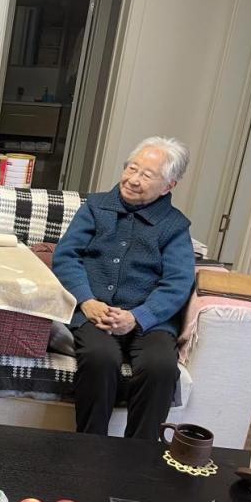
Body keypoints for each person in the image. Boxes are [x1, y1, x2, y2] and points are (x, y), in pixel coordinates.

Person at [52, 135, 196, 439]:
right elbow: (66, 256)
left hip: (150, 322)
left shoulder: (174, 226)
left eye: (147, 175)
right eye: (131, 168)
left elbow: (178, 282)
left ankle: (138, 454)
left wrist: (138, 317)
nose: (133, 179)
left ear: (168, 186)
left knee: (160, 367)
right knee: (99, 357)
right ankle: (90, 446)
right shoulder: (96, 207)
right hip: (95, 313)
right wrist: (86, 300)